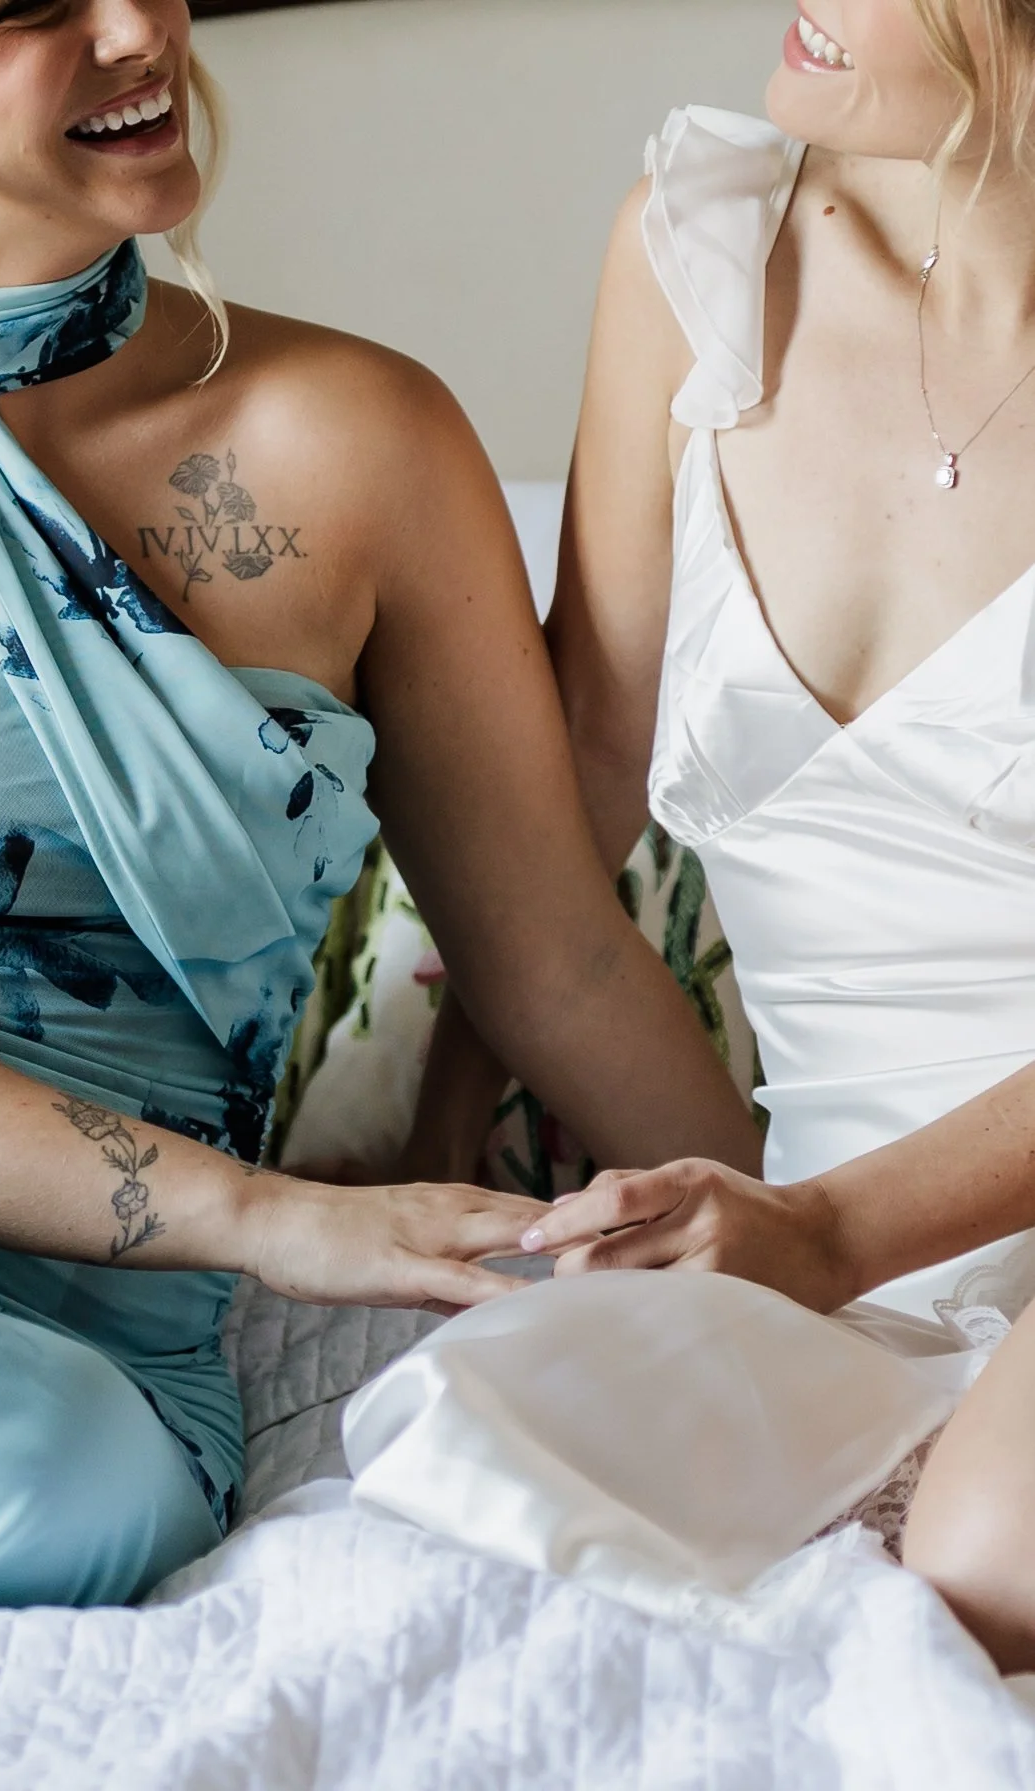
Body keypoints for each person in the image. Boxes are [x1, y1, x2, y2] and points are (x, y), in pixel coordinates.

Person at [0, 0, 761, 1610]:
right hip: (232, 1224)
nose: (138, 26)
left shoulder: (354, 437)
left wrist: (832, 1256)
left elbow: (562, 964)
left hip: (93, 1365)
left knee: (71, 1478)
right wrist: (272, 1219)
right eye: (35, 6)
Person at [497, 1, 1035, 1672]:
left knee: (986, 1548)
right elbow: (574, 766)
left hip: (850, 1234)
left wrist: (835, 1234)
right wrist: (430, 1170)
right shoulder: (693, 256)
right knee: (484, 1459)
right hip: (808, 1242)